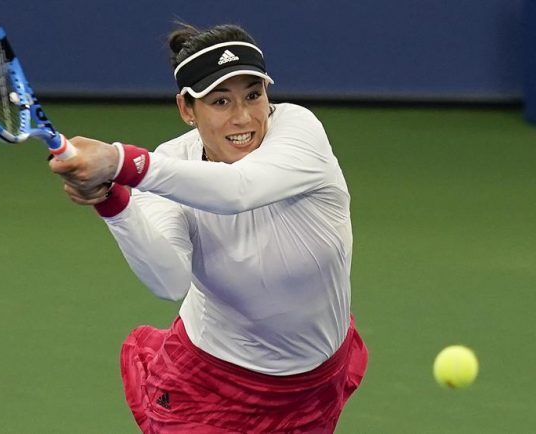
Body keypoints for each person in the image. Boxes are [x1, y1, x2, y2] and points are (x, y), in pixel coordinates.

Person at [49, 23, 368, 434]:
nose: (244, 117)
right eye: (220, 101)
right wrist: (114, 203)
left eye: (253, 95)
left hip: (315, 385)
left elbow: (239, 189)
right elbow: (169, 279)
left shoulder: (298, 130)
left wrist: (122, 162)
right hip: (210, 387)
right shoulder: (168, 165)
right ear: (187, 109)